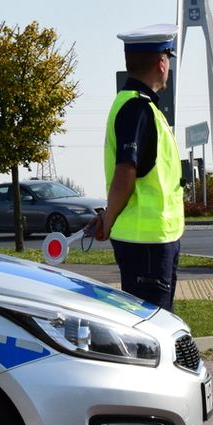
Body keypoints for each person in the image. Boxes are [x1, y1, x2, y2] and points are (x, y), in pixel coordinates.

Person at [91, 24, 185, 312]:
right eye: (168, 59)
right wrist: (108, 220)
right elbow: (125, 173)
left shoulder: (139, 107)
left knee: (156, 325)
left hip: (153, 239)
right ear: (161, 63)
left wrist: (109, 216)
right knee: (152, 329)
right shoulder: (138, 110)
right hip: (147, 243)